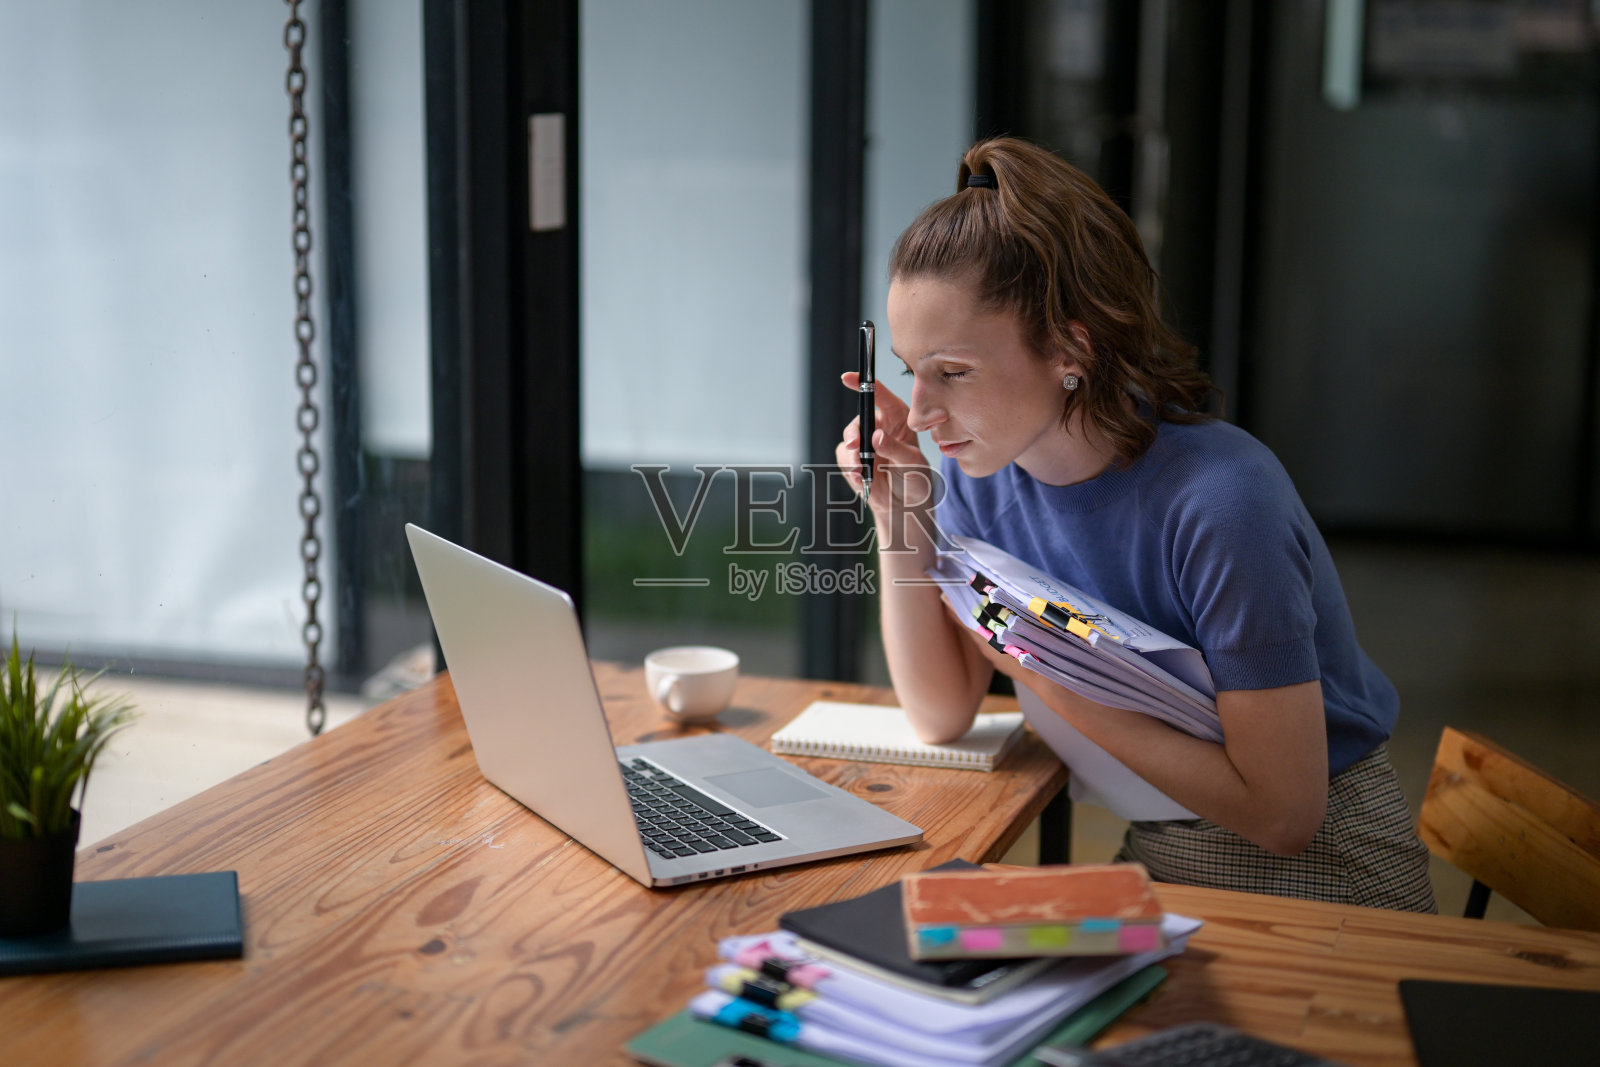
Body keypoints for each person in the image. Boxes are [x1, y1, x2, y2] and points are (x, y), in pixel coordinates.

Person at [835, 137, 1435, 912]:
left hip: (1329, 877)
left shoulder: (1224, 503)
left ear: (1070, 349)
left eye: (954, 372)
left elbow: (1285, 814)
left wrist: (1038, 666)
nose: (921, 413)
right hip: (1164, 851)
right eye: (914, 372)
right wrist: (902, 515)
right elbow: (940, 711)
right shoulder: (983, 473)